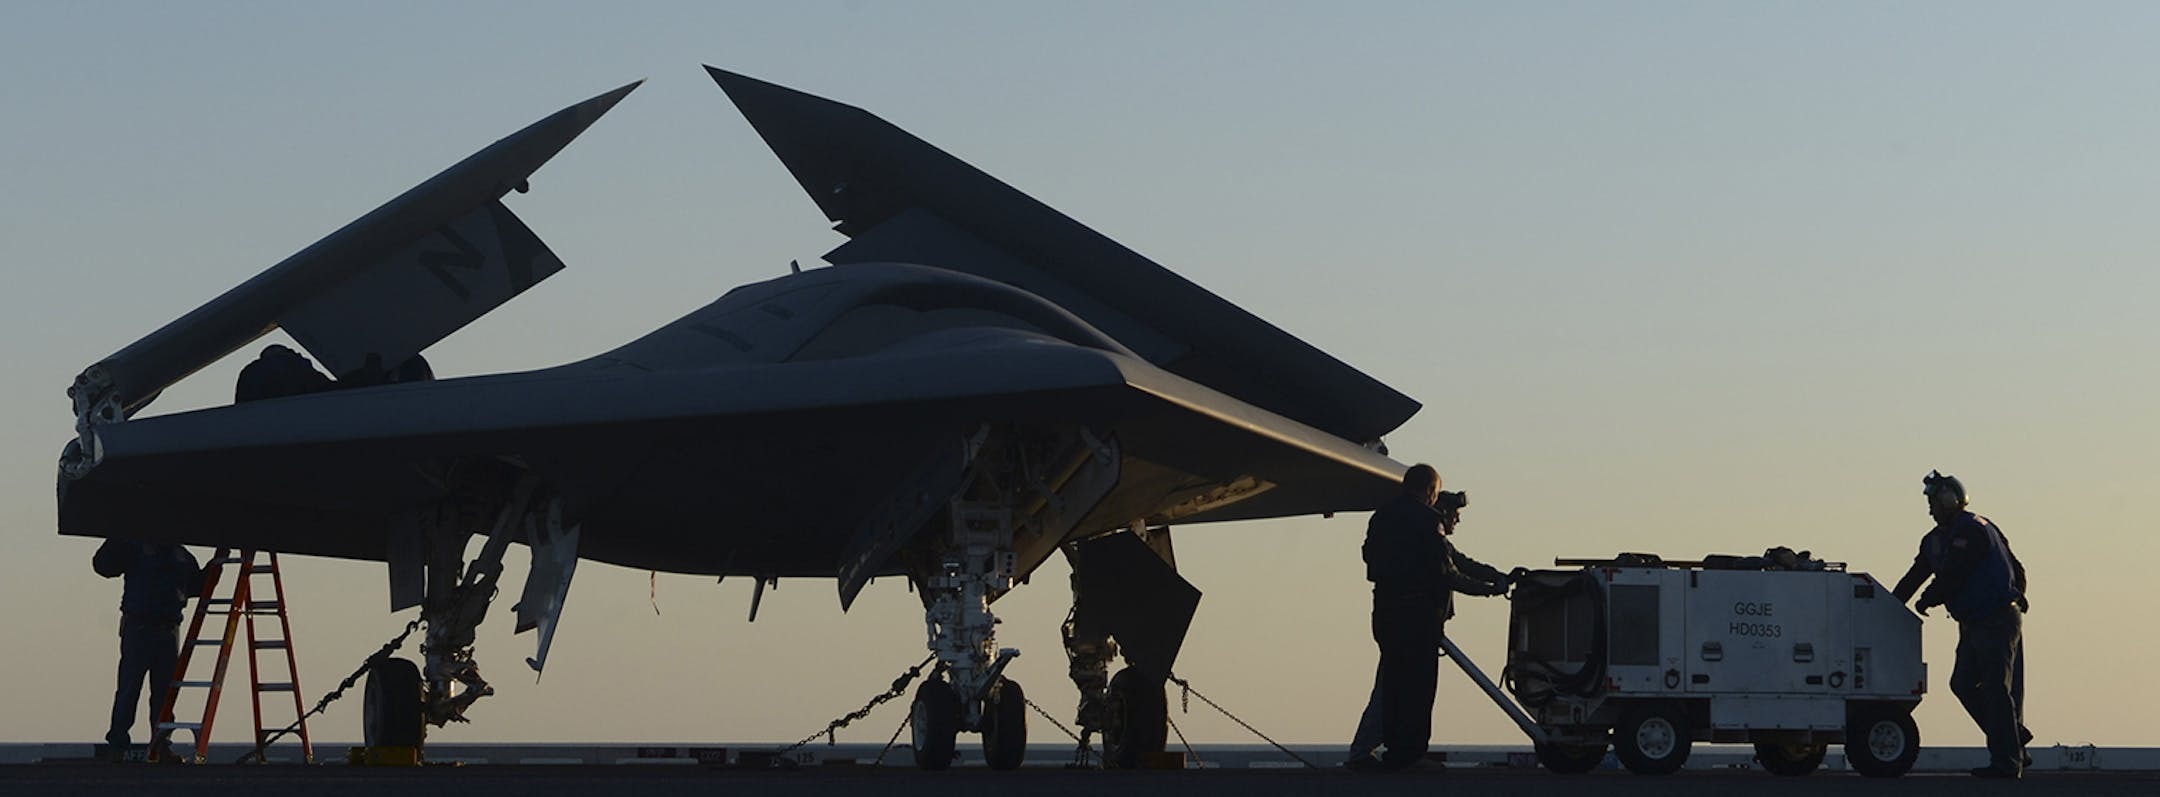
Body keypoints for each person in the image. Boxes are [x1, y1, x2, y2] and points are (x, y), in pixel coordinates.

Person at [1351, 465, 1508, 771]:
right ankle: (1409, 755)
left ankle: (1394, 752)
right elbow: (1448, 572)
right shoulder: (1427, 521)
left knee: (1394, 687)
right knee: (1419, 690)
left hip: (1385, 614)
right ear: (1429, 490)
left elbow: (1370, 556)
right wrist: (1489, 590)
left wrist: (1496, 577)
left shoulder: (1381, 516)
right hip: (1417, 617)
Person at [1891, 471, 2029, 778]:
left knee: (1996, 688)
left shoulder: (1972, 530)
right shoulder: (1935, 540)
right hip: (1974, 620)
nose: (1930, 509)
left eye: (1933, 502)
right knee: (1963, 684)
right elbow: (1915, 575)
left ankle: (2007, 760)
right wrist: (1887, 605)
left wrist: (1928, 600)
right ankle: (2012, 740)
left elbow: (1955, 573)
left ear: (1950, 500)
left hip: (1995, 618)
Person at [93, 540, 201, 760]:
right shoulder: (136, 546)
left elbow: (196, 585)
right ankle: (118, 744)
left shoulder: (180, 555)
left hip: (167, 629)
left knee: (164, 693)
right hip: (140, 627)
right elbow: (103, 565)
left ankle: (160, 744)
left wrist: (217, 565)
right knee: (130, 688)